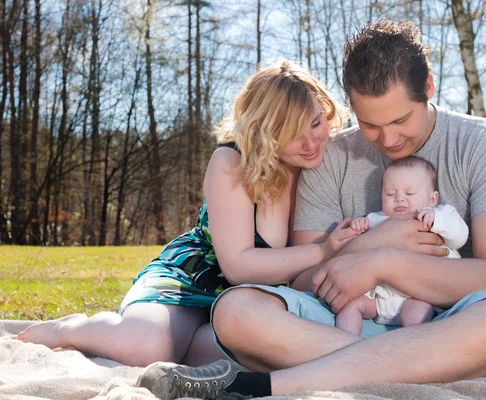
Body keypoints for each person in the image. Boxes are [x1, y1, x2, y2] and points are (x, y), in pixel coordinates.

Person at [136, 19, 486, 400]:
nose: (389, 140)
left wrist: (382, 261)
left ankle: (268, 385)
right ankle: (459, 367)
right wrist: (370, 243)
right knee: (235, 311)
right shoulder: (333, 155)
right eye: (370, 124)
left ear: (429, 87)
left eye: (401, 120)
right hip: (354, 324)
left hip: (455, 320)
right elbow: (299, 282)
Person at [17, 60, 355, 367]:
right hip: (191, 278)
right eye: (291, 135)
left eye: (315, 123)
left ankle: (180, 343)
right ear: (264, 132)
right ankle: (73, 328)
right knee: (145, 348)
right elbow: (237, 266)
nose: (311, 142)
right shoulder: (233, 162)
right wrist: (322, 250)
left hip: (251, 306)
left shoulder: (327, 166)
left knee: (227, 357)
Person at [336, 156, 468, 335]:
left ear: (432, 199)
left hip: (419, 295)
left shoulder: (441, 215)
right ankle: (344, 343)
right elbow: (357, 247)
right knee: (349, 307)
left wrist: (437, 220)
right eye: (390, 194)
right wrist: (359, 226)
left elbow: (460, 237)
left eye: (409, 193)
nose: (399, 199)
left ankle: (412, 349)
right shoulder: (376, 219)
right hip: (380, 297)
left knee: (417, 316)